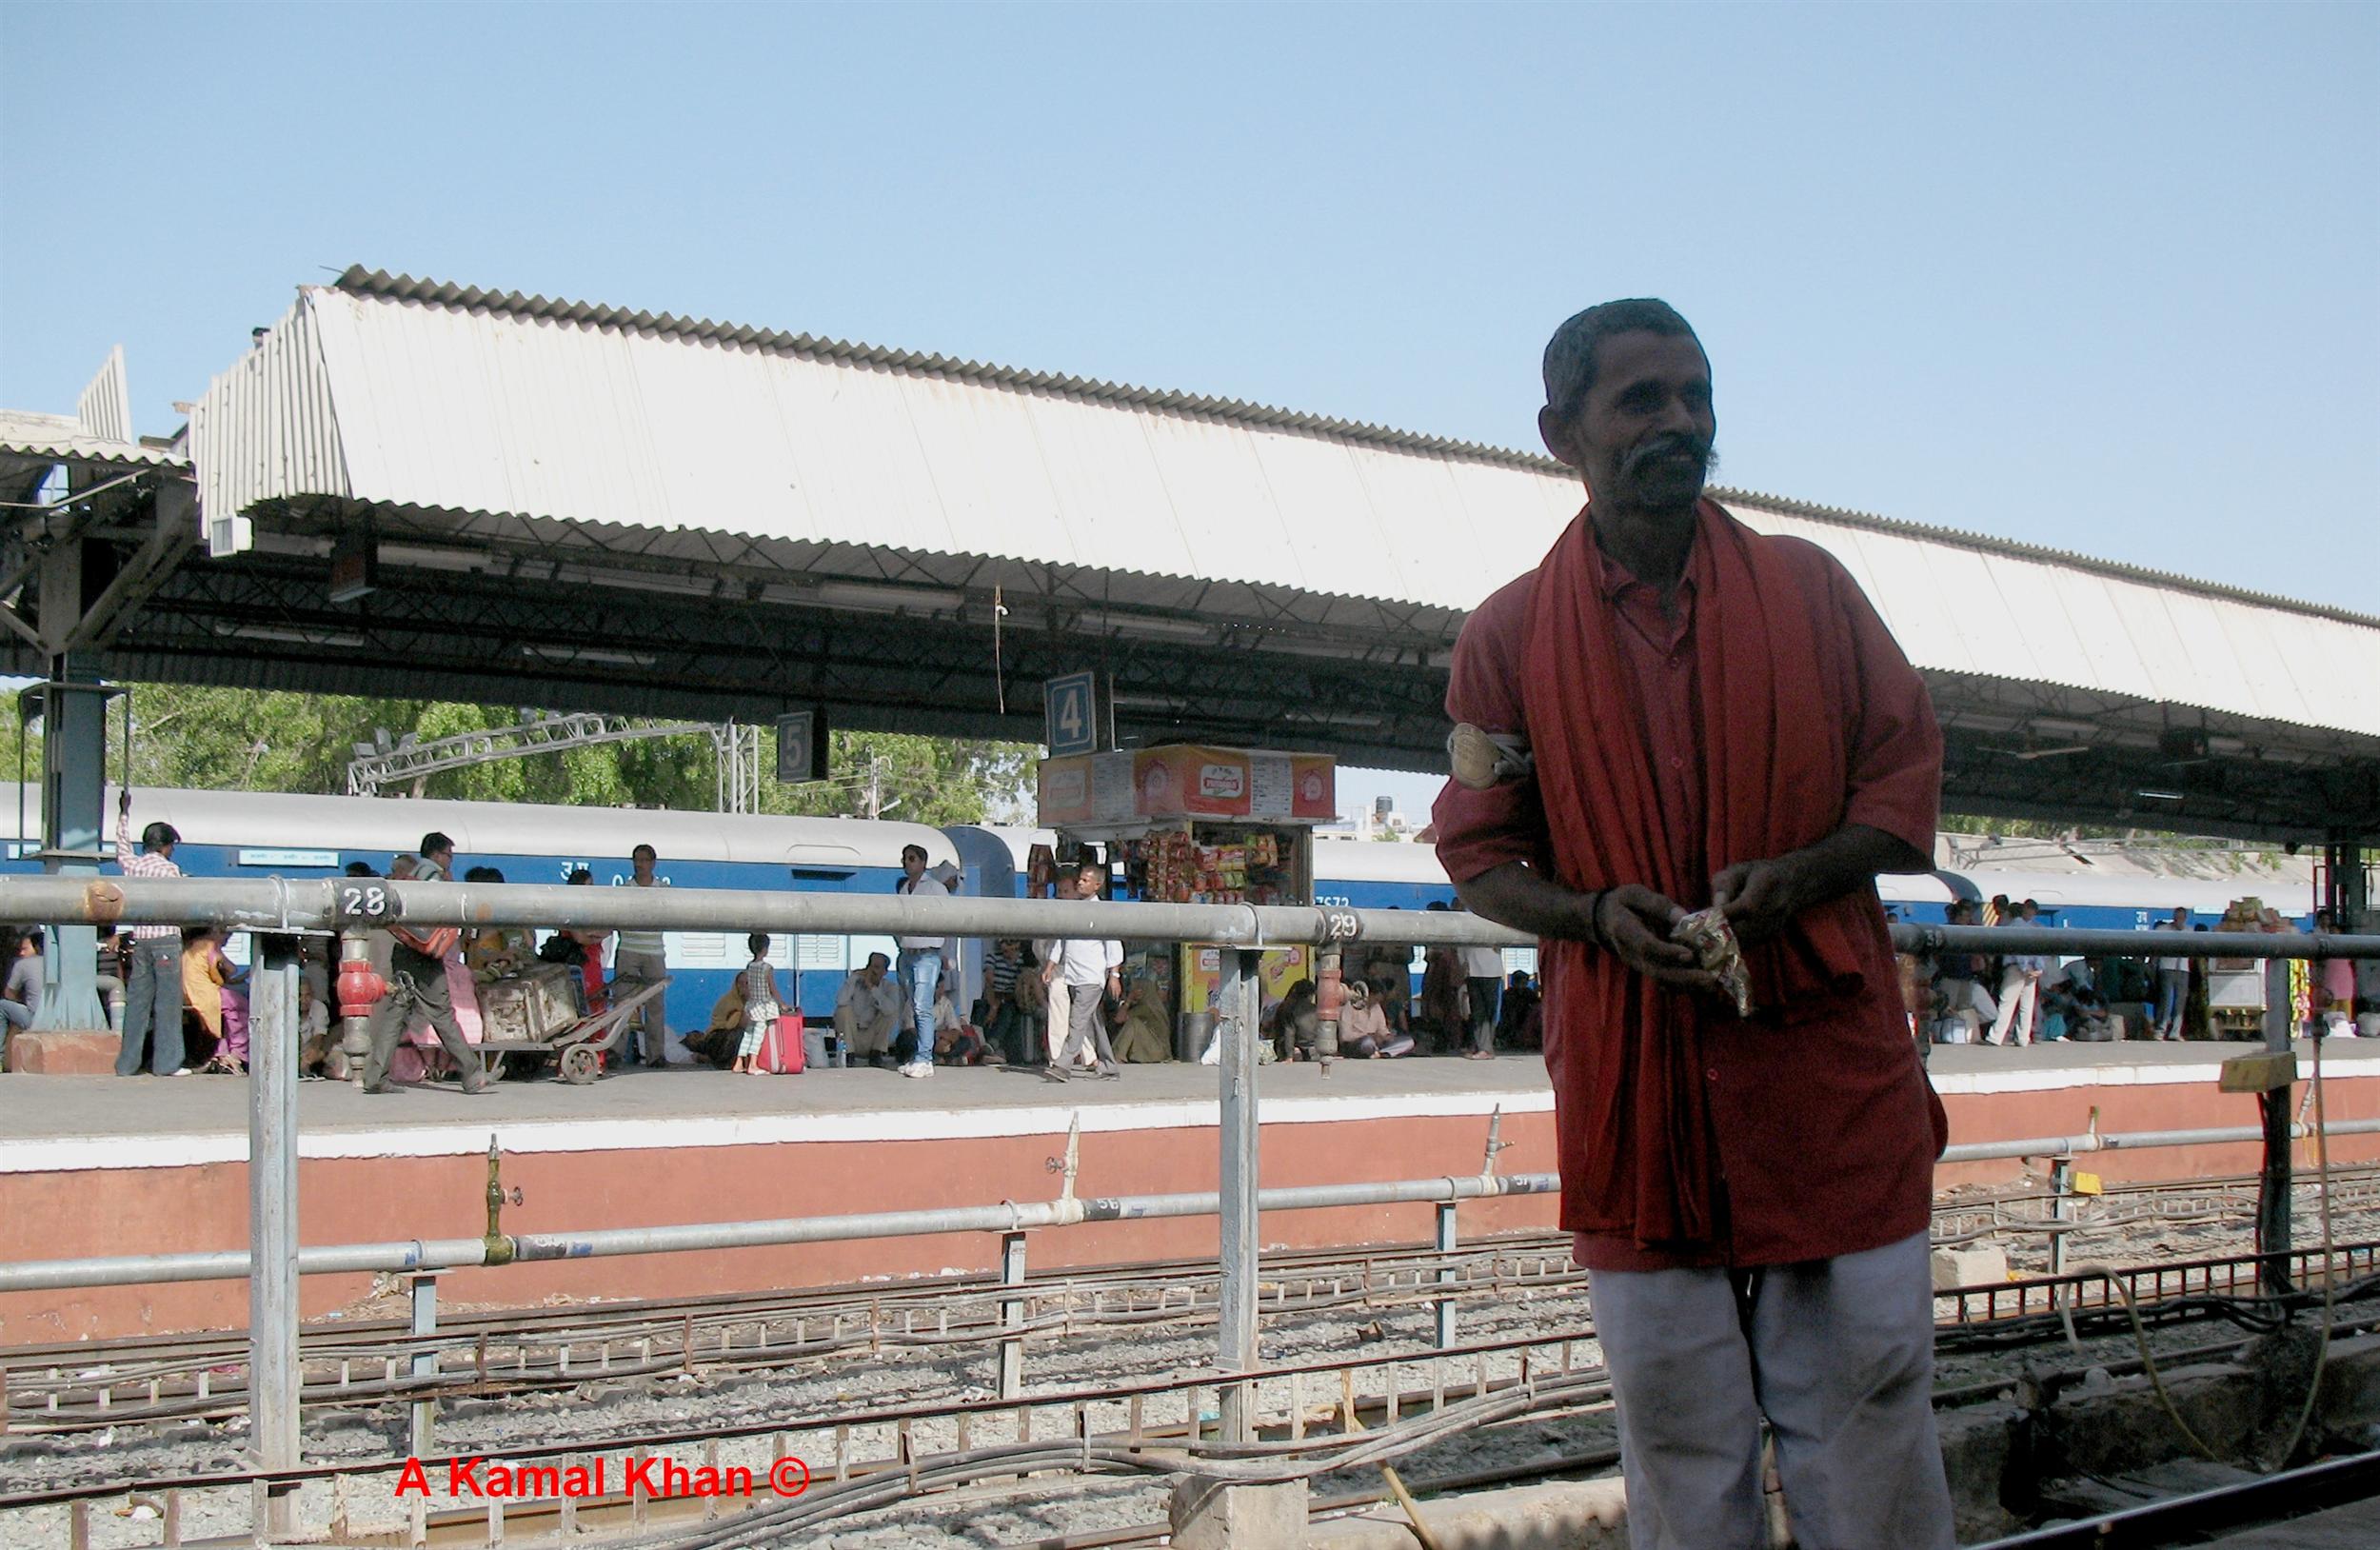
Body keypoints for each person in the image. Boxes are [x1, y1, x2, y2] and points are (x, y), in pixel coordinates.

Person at [1430, 299, 1954, 1549]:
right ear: (1562, 433)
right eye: (1642, 401)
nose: (1681, 423)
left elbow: (1903, 784)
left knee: (1869, 1431)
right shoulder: (1506, 636)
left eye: (1695, 396)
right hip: (1638, 1098)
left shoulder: (1813, 591)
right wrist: (1596, 914)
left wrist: (1806, 874)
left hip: (1821, 1085)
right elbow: (1482, 854)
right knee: (1680, 1450)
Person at [360, 881, 491, 1096]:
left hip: (403, 949)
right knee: (441, 1012)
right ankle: (472, 1073)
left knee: (397, 1011)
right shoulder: (432, 879)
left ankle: (375, 1076)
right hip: (424, 954)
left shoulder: (407, 883)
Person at [113, 790, 189, 1078]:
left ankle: (127, 1064)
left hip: (141, 941)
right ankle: (167, 1063)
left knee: (138, 1003)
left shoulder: (133, 866)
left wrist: (124, 813)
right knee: (167, 1004)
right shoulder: (170, 870)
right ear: (167, 846)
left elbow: (121, 848)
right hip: (166, 940)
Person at [1044, 861, 1121, 1080]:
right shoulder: (1074, 910)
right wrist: (1050, 965)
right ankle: (1109, 1065)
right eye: (1080, 879)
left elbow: (1113, 946)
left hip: (1091, 977)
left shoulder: (1103, 912)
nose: (1080, 883)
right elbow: (1062, 941)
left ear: (1097, 885)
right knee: (1095, 1022)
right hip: (1072, 976)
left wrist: (1114, 975)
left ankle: (1063, 1065)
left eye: (1086, 881)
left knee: (1076, 1022)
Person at [893, 844, 961, 1080]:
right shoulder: (904, 889)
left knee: (923, 1007)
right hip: (908, 953)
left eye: (911, 858)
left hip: (926, 954)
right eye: (904, 858)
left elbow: (946, 919)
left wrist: (942, 951)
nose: (906, 862)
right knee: (913, 1005)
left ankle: (925, 1058)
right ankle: (918, 1056)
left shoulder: (935, 888)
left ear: (922, 862)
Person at [615, 844, 671, 1067]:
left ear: (653, 863)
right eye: (637, 860)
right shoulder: (625, 889)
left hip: (654, 951)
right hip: (628, 948)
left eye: (644, 860)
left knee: (655, 1005)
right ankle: (616, 1050)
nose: (640, 865)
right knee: (622, 1002)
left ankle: (656, 1054)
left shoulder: (663, 890)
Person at [1988, 902, 2047, 1046]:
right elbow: (2038, 951)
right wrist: (2038, 969)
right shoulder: (2033, 929)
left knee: (2007, 1002)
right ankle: (2023, 1038)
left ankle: (1996, 1037)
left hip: (2016, 968)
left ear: (2009, 913)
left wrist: (2024, 967)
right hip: (2033, 970)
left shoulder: (2011, 928)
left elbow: (2018, 950)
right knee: (2027, 1005)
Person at [834, 952, 902, 1065]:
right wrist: (853, 978)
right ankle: (848, 1055)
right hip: (853, 1036)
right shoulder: (855, 983)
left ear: (884, 972)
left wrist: (873, 988)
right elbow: (840, 1001)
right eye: (869, 966)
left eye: (876, 967)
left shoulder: (890, 987)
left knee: (890, 1012)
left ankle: (876, 1054)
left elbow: (890, 1009)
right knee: (843, 1010)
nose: (871, 971)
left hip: (872, 1038)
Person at [732, 933, 782, 1076]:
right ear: (765, 949)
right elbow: (772, 989)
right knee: (758, 1035)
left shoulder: (750, 966)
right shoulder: (767, 968)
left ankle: (739, 1063)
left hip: (752, 1004)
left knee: (748, 1033)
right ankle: (753, 1065)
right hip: (764, 1006)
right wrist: (782, 1004)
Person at [982, 939, 1030, 1064]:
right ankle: (996, 1046)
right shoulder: (992, 957)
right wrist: (994, 1005)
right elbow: (989, 980)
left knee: (1010, 1010)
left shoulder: (1022, 960)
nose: (1004, 947)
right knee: (1004, 1011)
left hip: (1013, 998)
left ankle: (995, 1044)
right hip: (994, 995)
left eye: (1008, 944)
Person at [1459, 942, 1504, 1060]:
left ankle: (1486, 1048)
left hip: (1491, 970)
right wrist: (1463, 962)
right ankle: (1481, 1046)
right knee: (1477, 1011)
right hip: (1472, 970)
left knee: (1487, 1011)